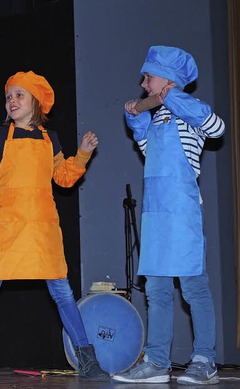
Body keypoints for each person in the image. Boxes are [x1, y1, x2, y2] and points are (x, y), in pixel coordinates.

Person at [0, 71, 110, 384]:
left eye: (19, 95)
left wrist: (82, 153)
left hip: (42, 230)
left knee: (63, 294)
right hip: (7, 228)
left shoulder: (50, 138)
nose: (12, 100)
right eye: (9, 96)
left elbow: (64, 177)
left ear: (35, 102)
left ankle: (87, 359)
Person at [112, 46, 225, 385]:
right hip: (156, 216)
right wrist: (137, 118)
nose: (143, 85)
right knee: (157, 291)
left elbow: (216, 127)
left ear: (168, 78)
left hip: (182, 213)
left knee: (194, 288)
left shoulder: (190, 114)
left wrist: (171, 98)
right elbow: (146, 149)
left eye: (148, 77)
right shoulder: (159, 117)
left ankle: (205, 360)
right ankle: (157, 361)